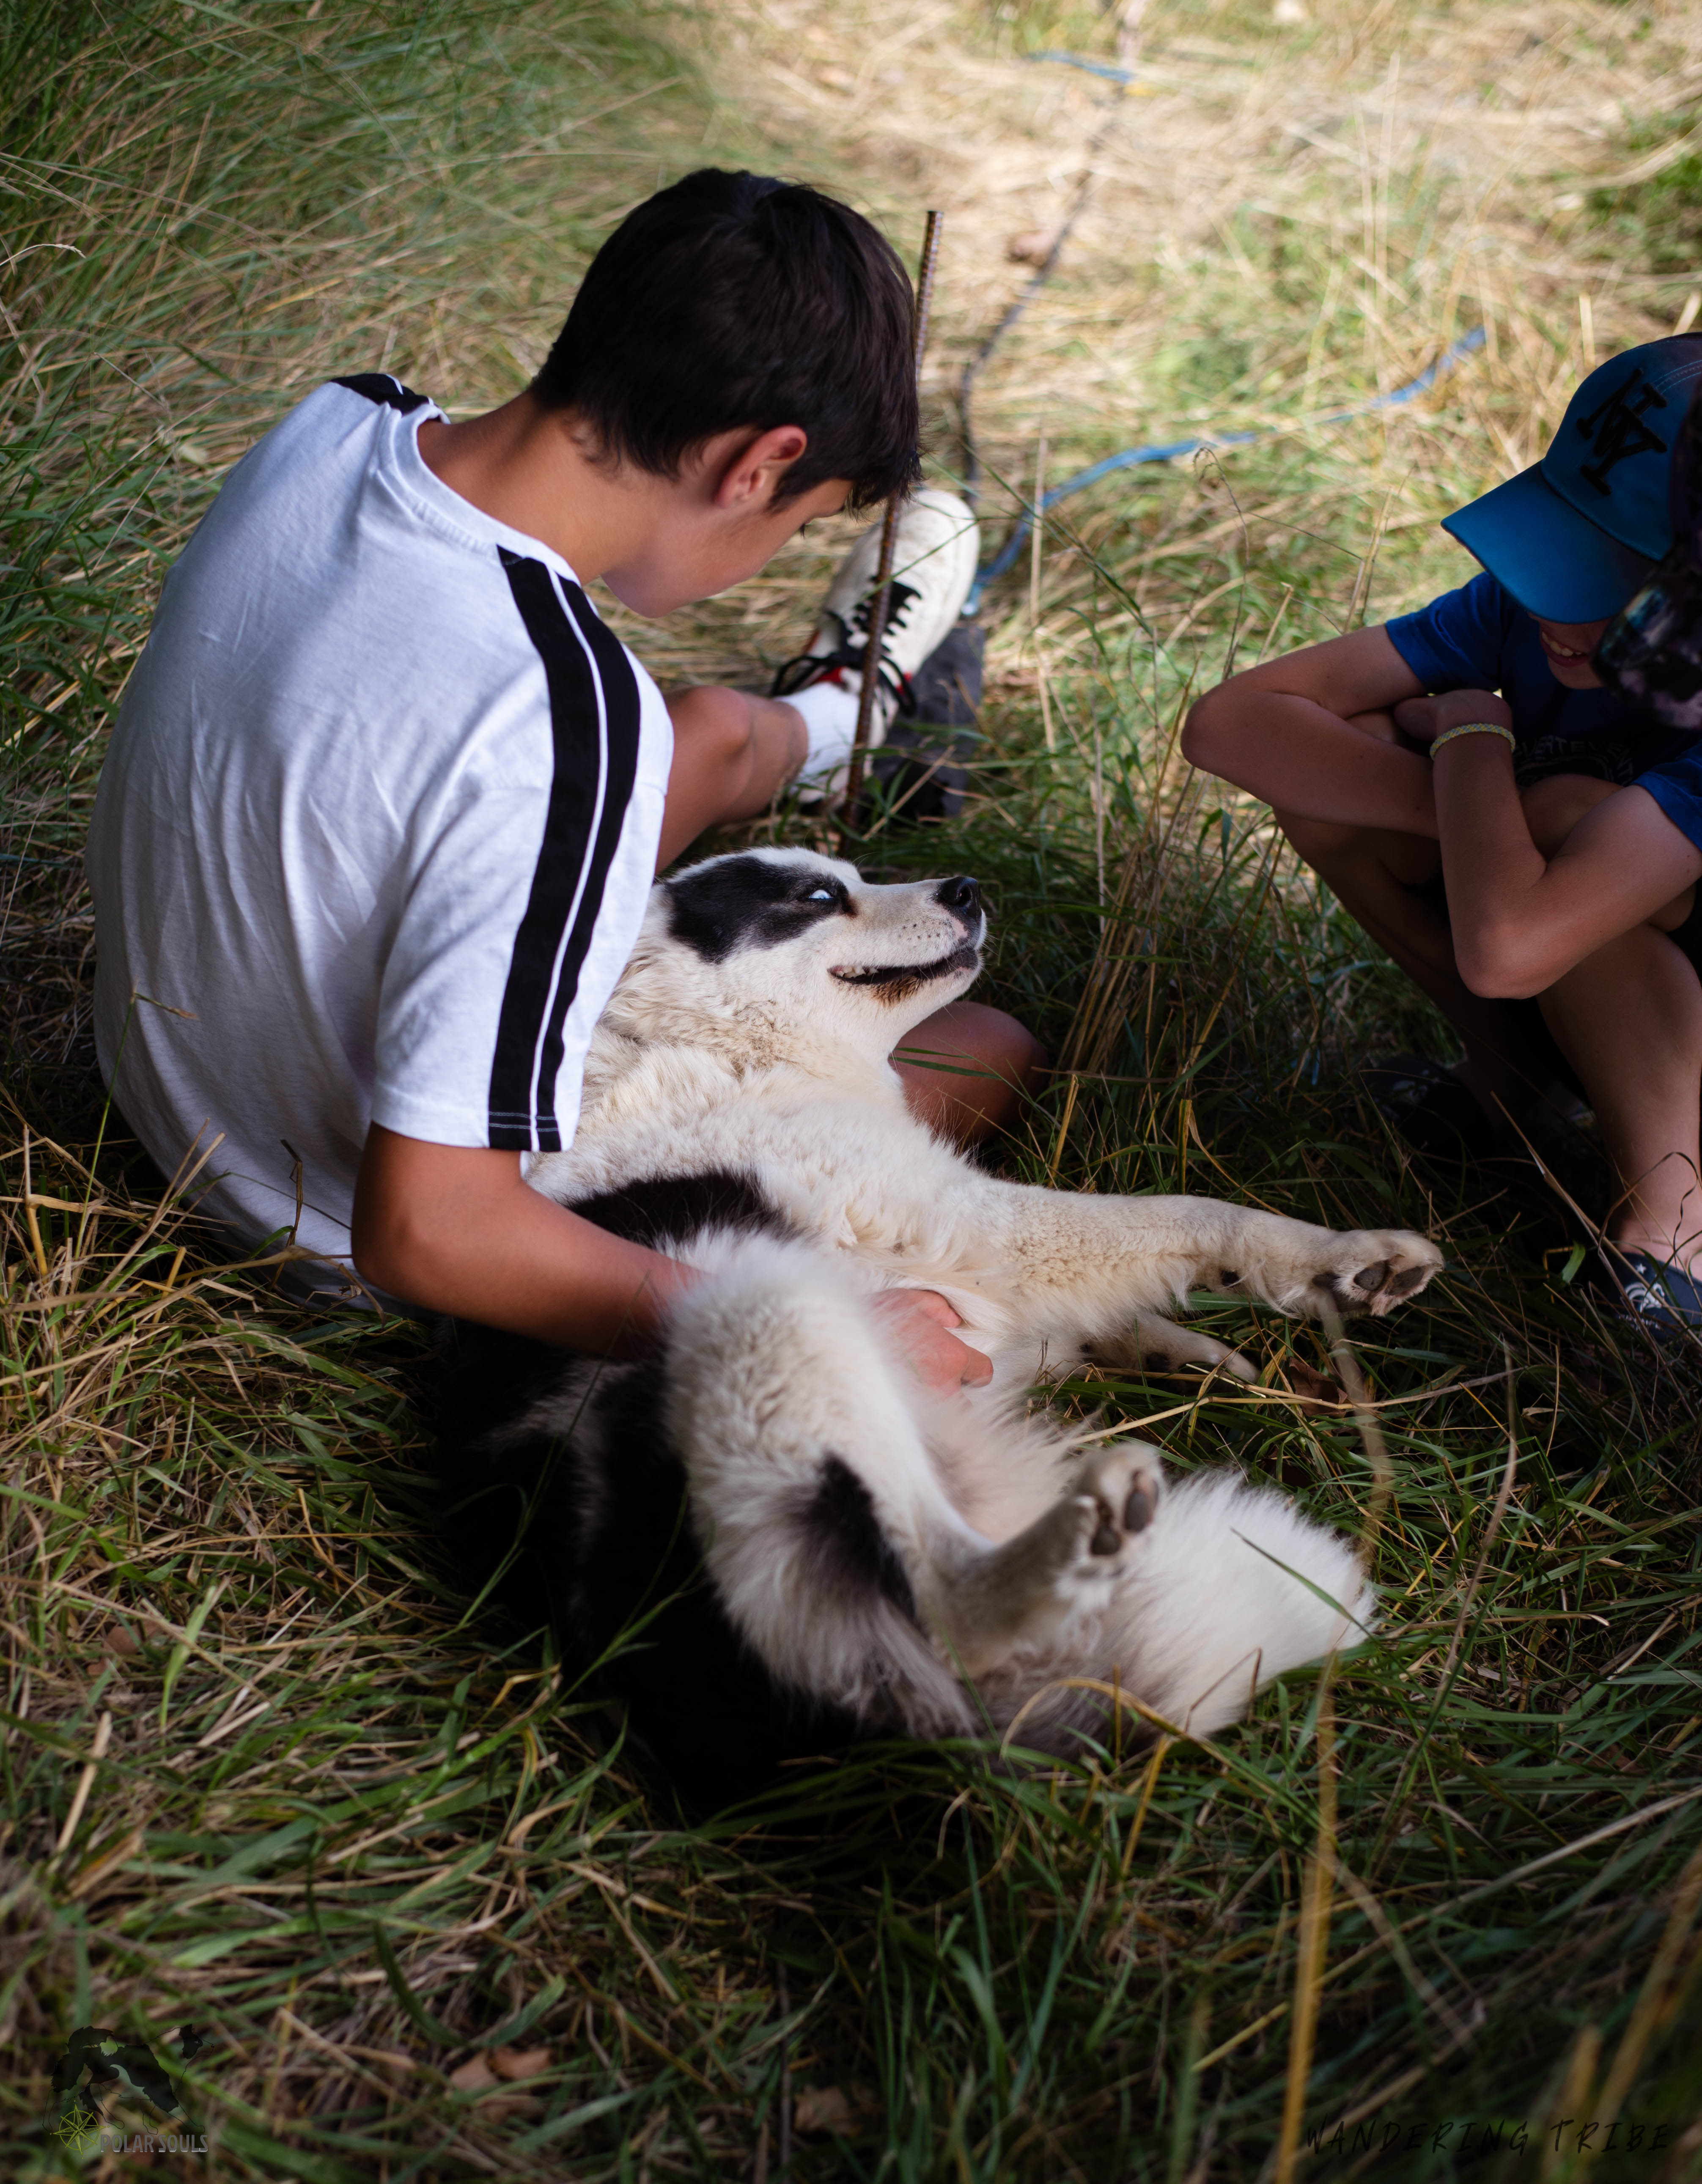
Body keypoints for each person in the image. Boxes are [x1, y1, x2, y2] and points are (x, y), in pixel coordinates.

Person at [87, 169, 1040, 1387]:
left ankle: (840, 703)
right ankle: (846, 707)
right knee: (982, 1046)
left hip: (164, 1090)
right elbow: (431, 1229)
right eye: (799, 524)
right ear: (758, 466)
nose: (767, 552)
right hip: (319, 1219)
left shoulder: (337, 426)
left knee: (701, 735)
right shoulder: (565, 721)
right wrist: (805, 1334)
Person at [1183, 334, 1702, 1333]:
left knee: (1561, 822)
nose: (1554, 601)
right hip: (1577, 946)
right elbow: (1229, 723)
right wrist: (1481, 802)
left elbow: (1510, 948)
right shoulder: (1524, 612)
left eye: (1605, 576)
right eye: (1561, 546)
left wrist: (1470, 737)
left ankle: (1675, 1228)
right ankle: (1514, 1090)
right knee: (1353, 784)